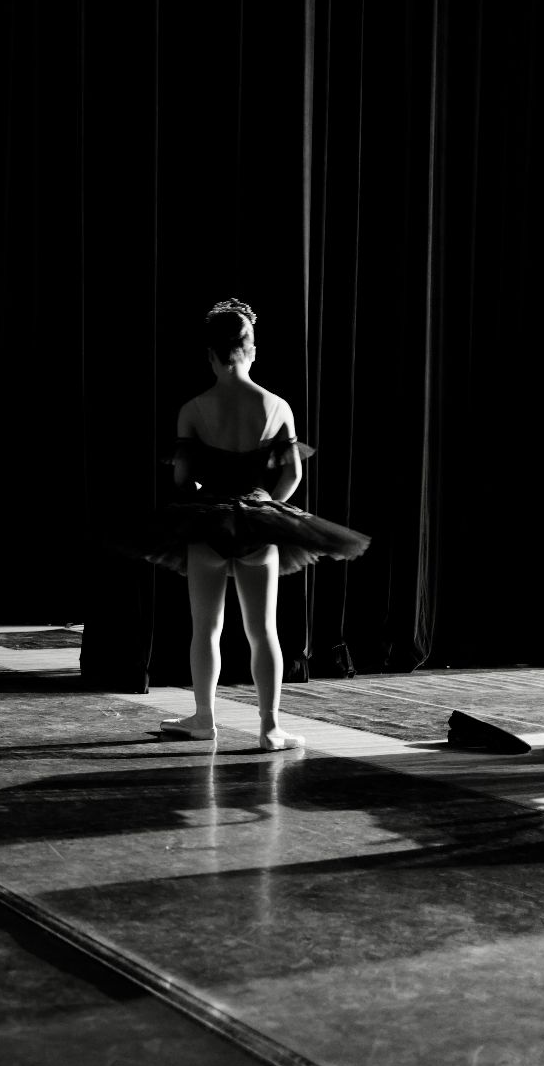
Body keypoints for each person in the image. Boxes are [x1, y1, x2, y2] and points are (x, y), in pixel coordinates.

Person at [139, 299, 370, 751]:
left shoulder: (193, 408)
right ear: (251, 350)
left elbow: (183, 478)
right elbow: (292, 475)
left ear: (210, 354)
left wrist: (211, 493)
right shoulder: (276, 405)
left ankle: (204, 718)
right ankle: (269, 728)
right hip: (257, 524)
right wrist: (265, 508)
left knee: (205, 627)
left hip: (207, 524)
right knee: (262, 629)